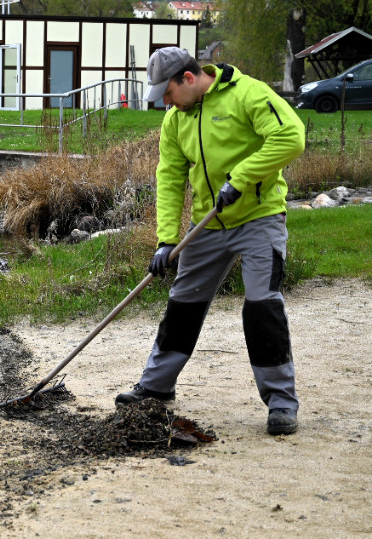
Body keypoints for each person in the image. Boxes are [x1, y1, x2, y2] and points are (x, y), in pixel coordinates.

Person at [115, 47, 305, 436]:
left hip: (259, 217)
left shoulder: (248, 94)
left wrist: (241, 178)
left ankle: (282, 403)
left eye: (166, 93)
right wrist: (165, 241)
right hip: (208, 225)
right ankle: (156, 386)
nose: (164, 103)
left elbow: (291, 136)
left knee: (261, 306)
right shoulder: (176, 119)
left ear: (188, 78)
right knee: (183, 303)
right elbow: (168, 179)